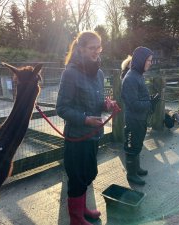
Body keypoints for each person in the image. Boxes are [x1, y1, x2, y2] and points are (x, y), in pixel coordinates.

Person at [56, 31, 119, 225]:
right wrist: (84, 120)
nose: (97, 52)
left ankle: (82, 209)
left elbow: (96, 101)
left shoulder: (98, 73)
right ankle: (76, 218)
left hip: (93, 135)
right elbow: (62, 108)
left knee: (88, 173)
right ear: (81, 49)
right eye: (92, 48)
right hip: (77, 136)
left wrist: (105, 105)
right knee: (76, 177)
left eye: (99, 47)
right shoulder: (70, 73)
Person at [121, 46, 160, 185]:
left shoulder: (138, 75)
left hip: (140, 119)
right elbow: (132, 103)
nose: (150, 63)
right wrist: (150, 104)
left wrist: (150, 100)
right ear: (141, 60)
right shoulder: (131, 78)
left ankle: (136, 168)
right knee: (132, 146)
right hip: (133, 120)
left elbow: (139, 97)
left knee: (137, 144)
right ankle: (131, 174)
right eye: (149, 60)